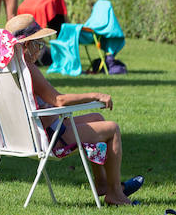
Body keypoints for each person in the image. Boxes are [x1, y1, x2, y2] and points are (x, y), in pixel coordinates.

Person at [8, 15, 138, 205]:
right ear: (26, 46)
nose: (41, 48)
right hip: (51, 136)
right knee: (112, 129)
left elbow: (54, 99)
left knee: (97, 117)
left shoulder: (10, 67)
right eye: (38, 44)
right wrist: (95, 95)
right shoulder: (29, 69)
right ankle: (115, 193)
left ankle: (103, 183)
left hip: (35, 131)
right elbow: (59, 100)